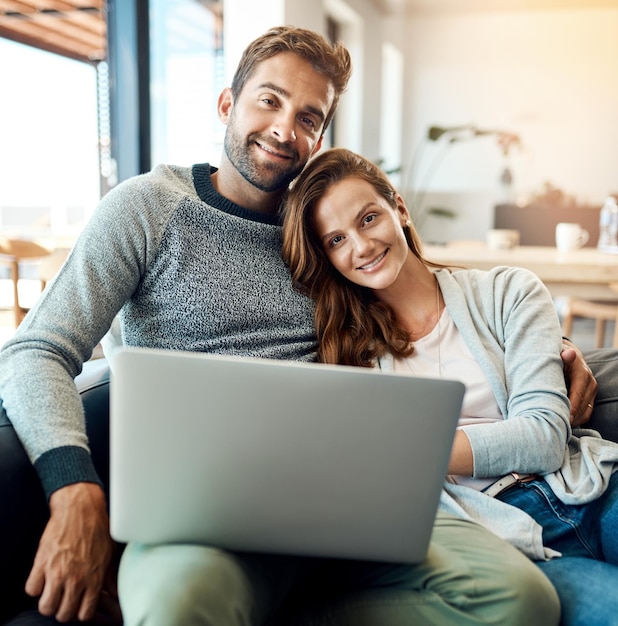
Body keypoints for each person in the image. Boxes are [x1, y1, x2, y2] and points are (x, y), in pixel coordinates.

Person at [0, 24, 593, 626]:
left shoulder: (323, 228)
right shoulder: (148, 207)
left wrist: (551, 350)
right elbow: (36, 350)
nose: (286, 129)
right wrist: (74, 490)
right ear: (228, 104)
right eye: (269, 100)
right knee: (179, 606)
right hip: (205, 507)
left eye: (310, 118)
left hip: (350, 491)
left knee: (518, 599)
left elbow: (418, 301)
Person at [281, 146, 618, 625]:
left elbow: (544, 438)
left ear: (398, 207)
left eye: (369, 218)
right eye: (336, 239)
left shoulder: (509, 292)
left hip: (590, 485)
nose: (360, 246)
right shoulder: (348, 359)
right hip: (503, 534)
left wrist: (411, 447)